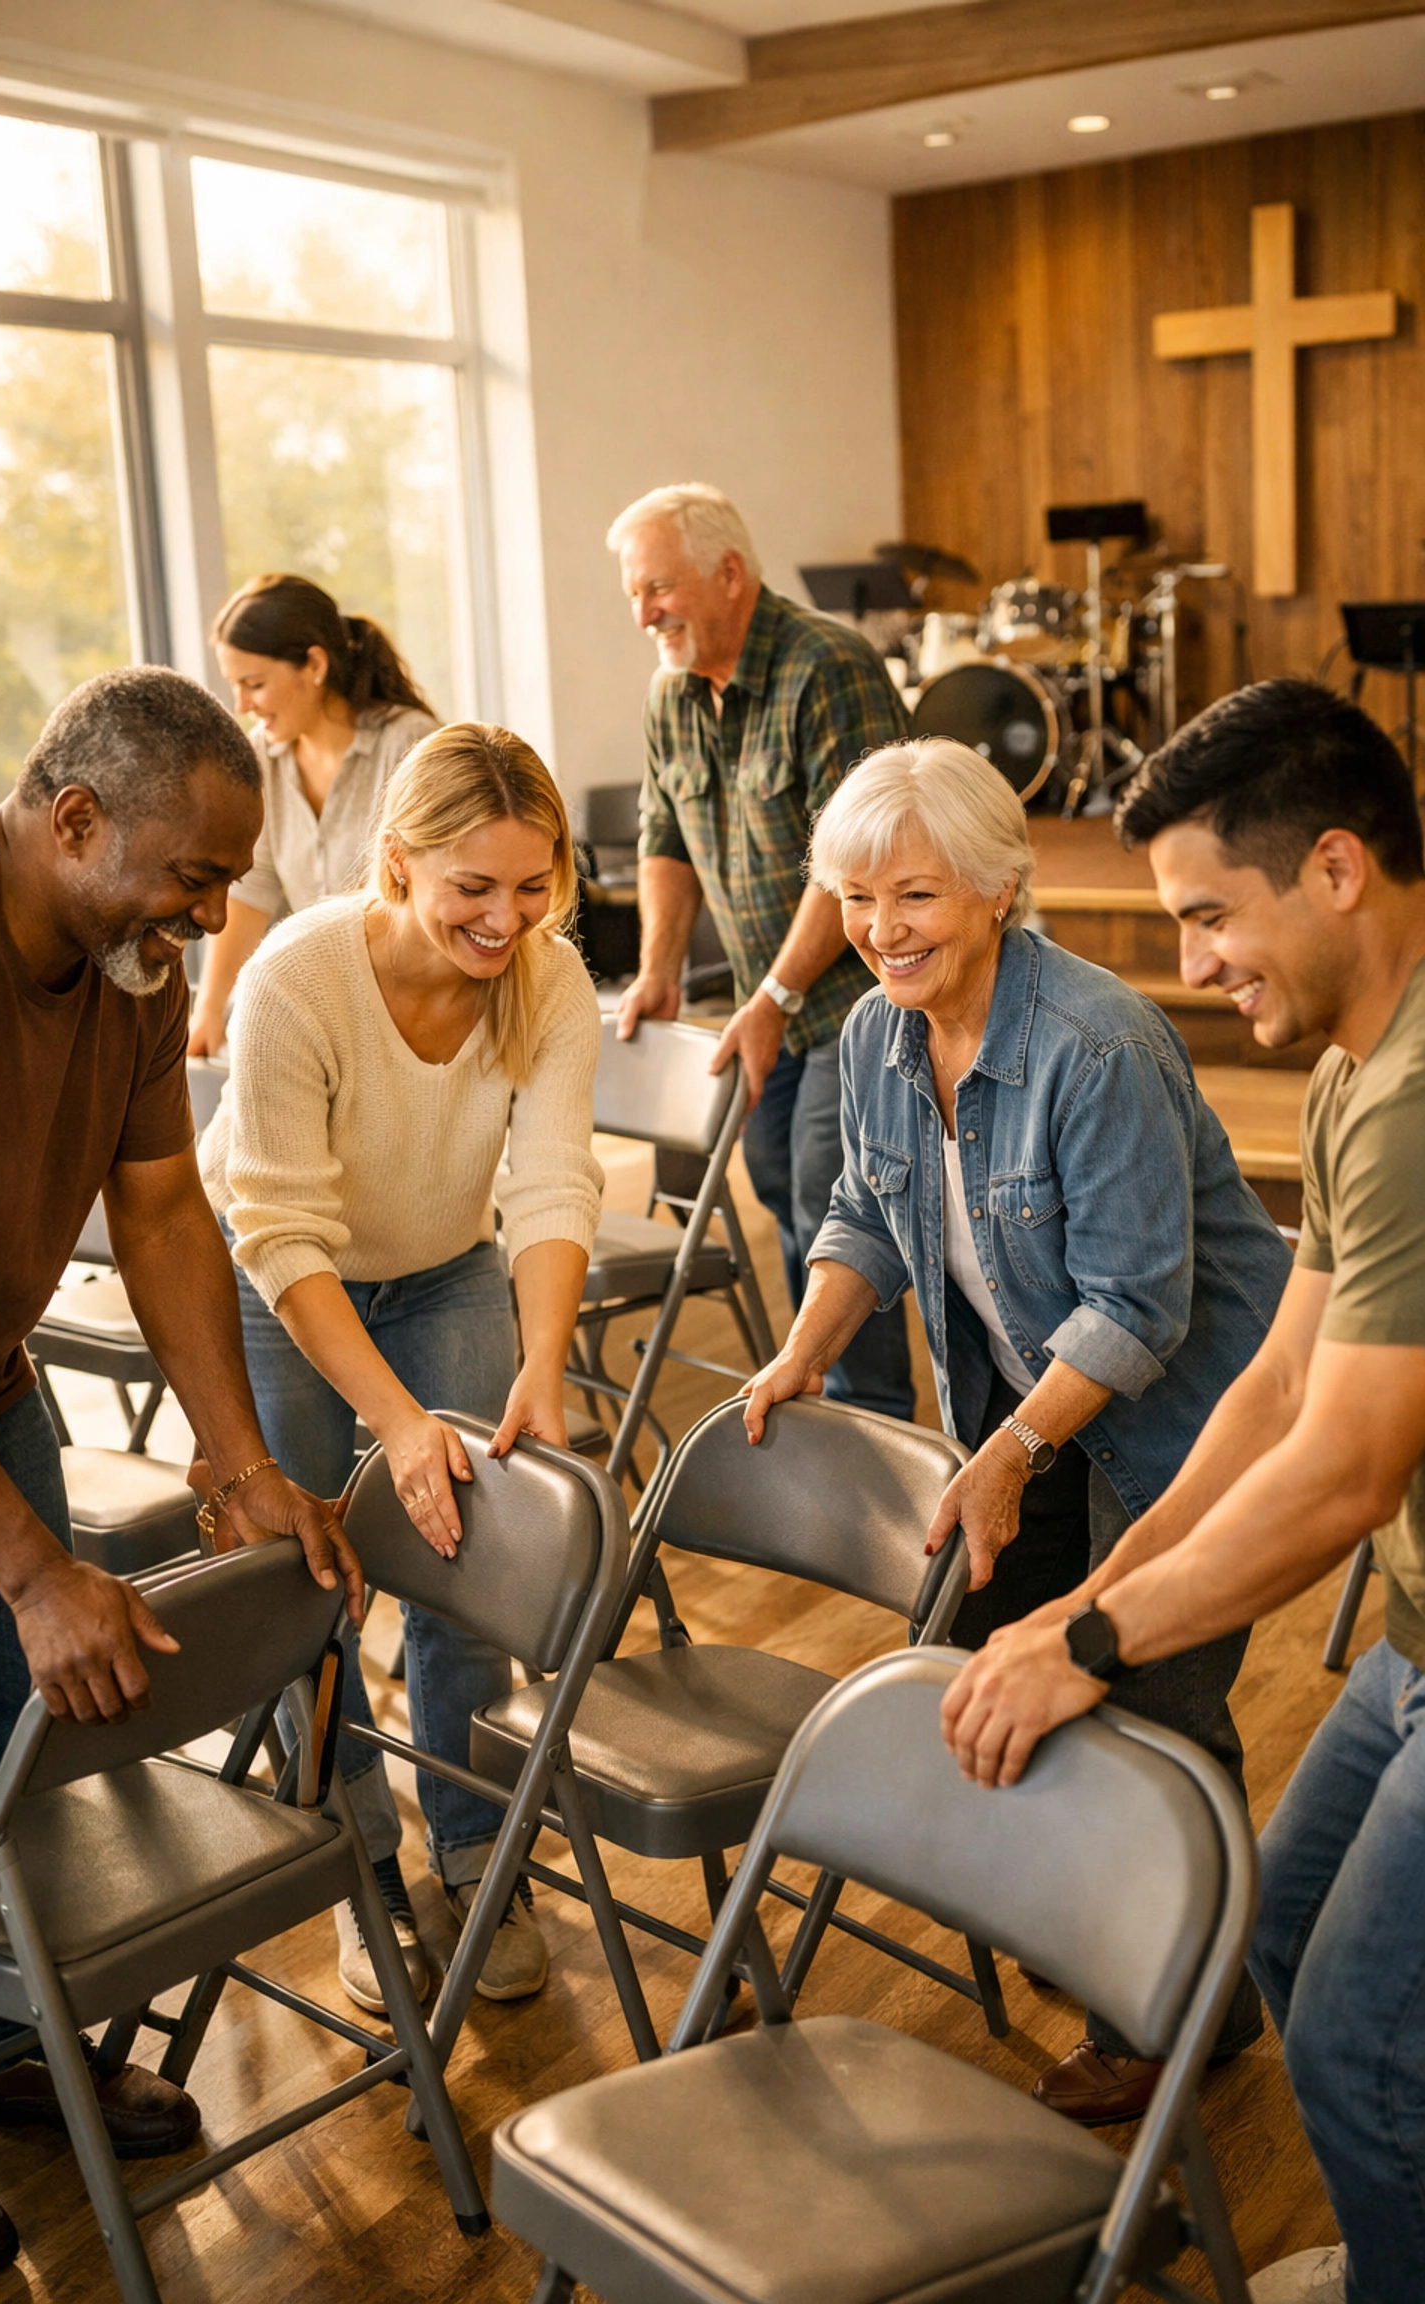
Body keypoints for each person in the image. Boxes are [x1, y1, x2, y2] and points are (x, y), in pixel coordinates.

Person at [939, 681, 1425, 2304]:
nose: (1193, 959)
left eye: (1213, 913)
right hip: (1414, 1636)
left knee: (1357, 2039)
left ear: (1338, 868)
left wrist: (1083, 1642)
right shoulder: (1367, 1064)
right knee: (1279, 1927)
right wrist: (1101, 1594)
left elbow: (1349, 1470)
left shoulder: (1416, 1100)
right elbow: (1275, 1388)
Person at [0, 668, 364, 2283]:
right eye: (196, 872)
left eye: (227, 879)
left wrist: (240, 1463)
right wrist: (34, 1567)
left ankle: (10, 2036)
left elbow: (163, 1211)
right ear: (73, 817)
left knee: (29, 1742)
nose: (218, 910)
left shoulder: (130, 954)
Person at [740, 735, 1291, 2122]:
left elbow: (1136, 1307)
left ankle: (1182, 2016)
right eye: (857, 901)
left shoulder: (1095, 1044)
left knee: (1151, 1706)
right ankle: (1121, 1932)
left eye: (914, 898)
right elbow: (863, 1215)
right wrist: (806, 1348)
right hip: (1028, 1410)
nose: (878, 934)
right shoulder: (874, 1030)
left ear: (998, 889)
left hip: (1192, 1422)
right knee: (993, 1656)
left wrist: (1006, 1456)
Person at [199, 721, 602, 2013]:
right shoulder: (295, 979)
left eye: (533, 886)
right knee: (313, 1574)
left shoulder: (550, 983)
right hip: (289, 1284)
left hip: (443, 1267)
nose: (507, 918)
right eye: (473, 888)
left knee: (462, 1563)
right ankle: (357, 1866)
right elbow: (279, 1228)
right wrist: (397, 1417)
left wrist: (544, 1362)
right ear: (397, 864)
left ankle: (481, 1845)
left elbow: (546, 1186)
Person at [607, 482, 916, 1420]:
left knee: (829, 1188)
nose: (643, 614)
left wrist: (777, 995)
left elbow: (861, 862)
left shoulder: (829, 666)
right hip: (765, 996)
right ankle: (828, 1377)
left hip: (862, 997)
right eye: (633, 594)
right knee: (779, 1175)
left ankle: (872, 1418)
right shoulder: (671, 697)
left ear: (729, 575)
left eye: (658, 588)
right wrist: (661, 967)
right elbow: (664, 839)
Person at [187, 572, 437, 1055]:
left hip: (405, 1007)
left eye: (254, 683)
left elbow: (433, 894)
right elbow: (252, 889)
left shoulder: (407, 743)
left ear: (314, 665)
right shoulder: (260, 757)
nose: (240, 704)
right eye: (234, 685)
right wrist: (210, 1009)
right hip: (320, 1006)